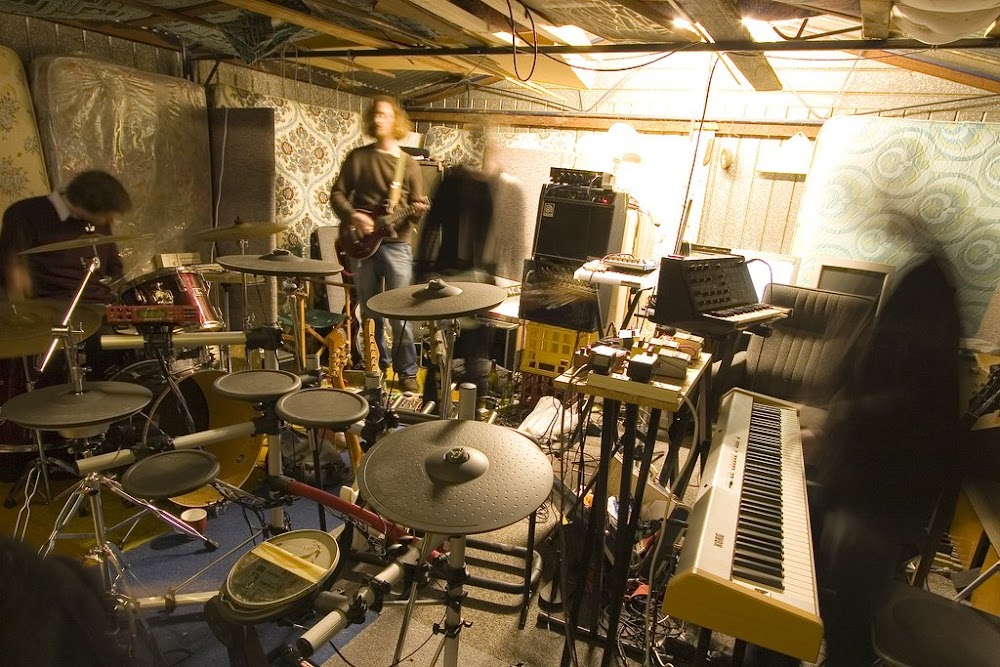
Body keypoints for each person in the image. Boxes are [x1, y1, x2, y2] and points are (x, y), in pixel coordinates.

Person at [804, 217, 962, 666]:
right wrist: (829, 431)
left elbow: (891, 414)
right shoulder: (927, 336)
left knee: (848, 615)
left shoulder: (915, 351)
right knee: (806, 570)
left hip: (875, 507)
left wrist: (835, 427)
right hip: (863, 490)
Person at [330, 96, 427, 393]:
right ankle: (377, 367)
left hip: (397, 245)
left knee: (401, 313)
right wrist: (354, 216)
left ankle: (407, 372)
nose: (377, 119)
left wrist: (416, 211)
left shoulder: (408, 164)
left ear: (395, 120)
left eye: (384, 115)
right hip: (361, 244)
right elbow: (337, 194)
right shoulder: (358, 158)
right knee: (371, 313)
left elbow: (417, 208)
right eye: (374, 115)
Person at [1, 169, 130, 304]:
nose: (110, 222)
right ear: (82, 206)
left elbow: (114, 269)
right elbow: (12, 267)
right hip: (56, 306)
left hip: (103, 303)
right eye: (106, 218)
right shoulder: (24, 213)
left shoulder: (98, 220)